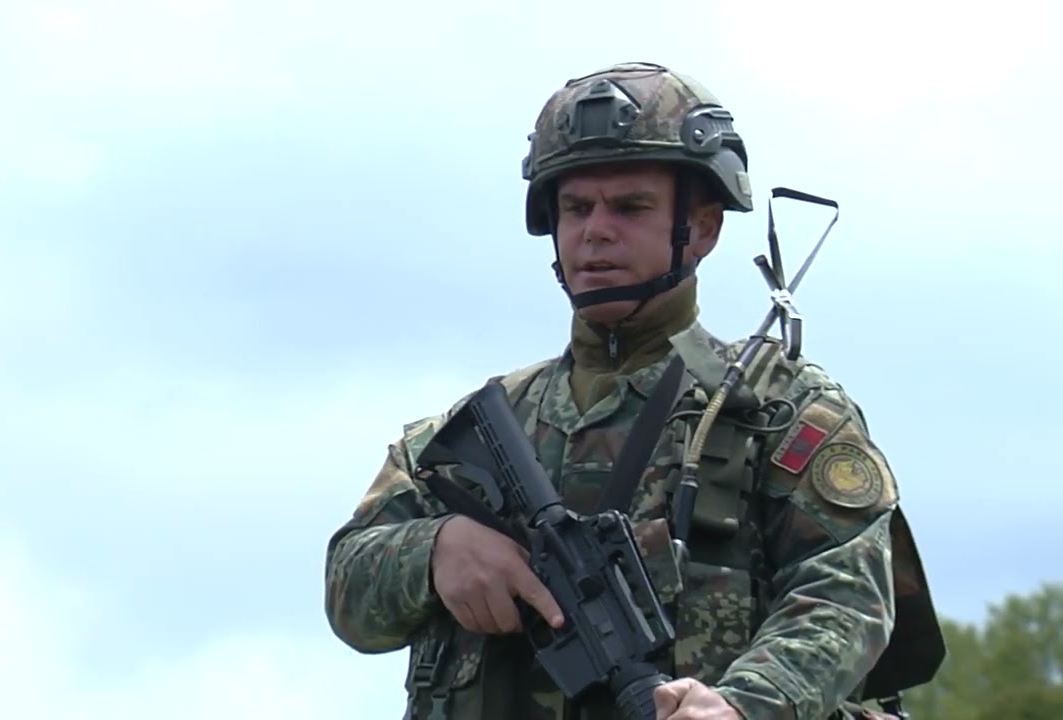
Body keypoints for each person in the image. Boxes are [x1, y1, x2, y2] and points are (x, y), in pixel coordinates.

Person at [323, 62, 943, 720]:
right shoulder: (472, 433)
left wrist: (742, 708)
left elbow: (846, 594)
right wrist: (435, 551)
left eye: (630, 207)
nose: (596, 230)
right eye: (576, 208)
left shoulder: (774, 412)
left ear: (702, 228)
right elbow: (347, 587)